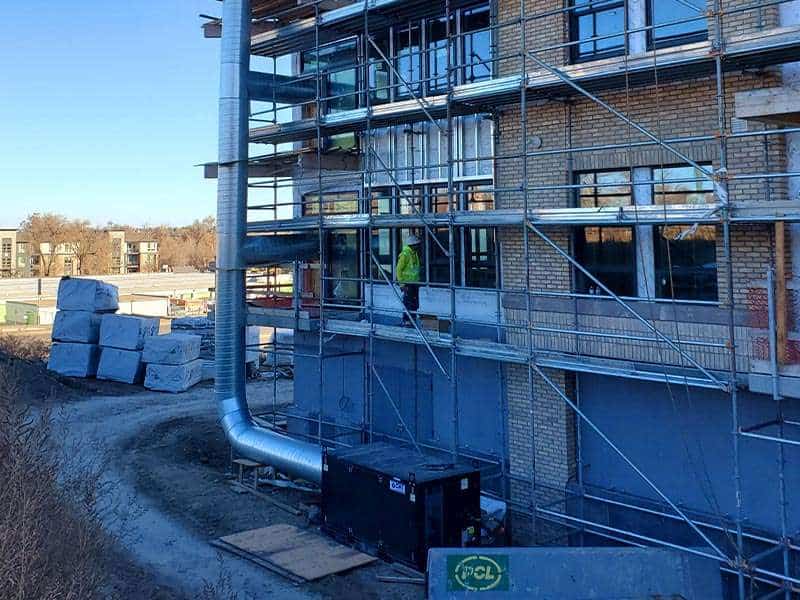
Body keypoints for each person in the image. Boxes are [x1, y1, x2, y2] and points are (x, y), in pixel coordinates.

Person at [396, 233, 421, 326]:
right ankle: (407, 321)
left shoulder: (414, 253)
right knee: (408, 303)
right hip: (407, 284)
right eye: (417, 244)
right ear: (412, 245)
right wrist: (402, 285)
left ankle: (412, 320)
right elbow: (398, 270)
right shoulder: (405, 254)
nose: (418, 246)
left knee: (414, 303)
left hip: (414, 283)